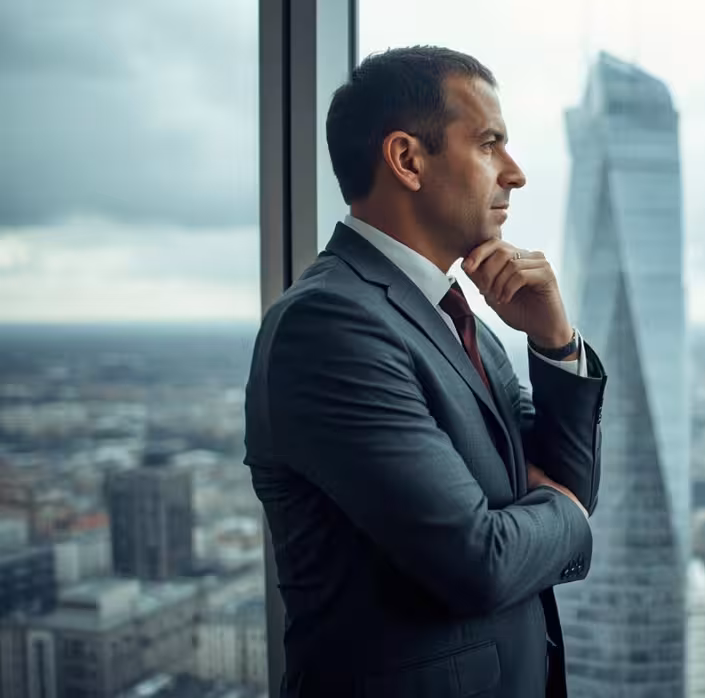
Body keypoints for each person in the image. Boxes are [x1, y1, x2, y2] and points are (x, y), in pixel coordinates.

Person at [243, 45, 606, 698]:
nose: (516, 174)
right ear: (408, 159)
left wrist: (554, 341)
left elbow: (567, 477)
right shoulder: (330, 326)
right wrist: (569, 515)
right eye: (491, 144)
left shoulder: (453, 316)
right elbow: (480, 564)